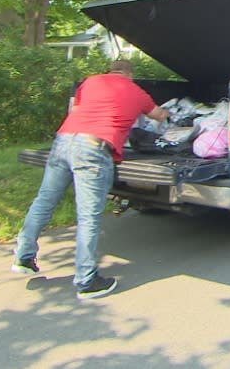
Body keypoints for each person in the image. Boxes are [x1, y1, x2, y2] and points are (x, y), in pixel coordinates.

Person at [11, 59, 169, 300]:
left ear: (110, 70)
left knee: (44, 200)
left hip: (64, 141)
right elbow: (158, 116)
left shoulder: (90, 81)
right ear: (129, 74)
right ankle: (87, 280)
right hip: (93, 150)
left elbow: (76, 109)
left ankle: (23, 256)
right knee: (88, 215)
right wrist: (170, 112)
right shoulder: (135, 91)